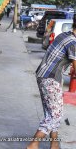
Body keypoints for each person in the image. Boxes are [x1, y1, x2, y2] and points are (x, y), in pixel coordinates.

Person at [27, 15, 76, 149]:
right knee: (55, 115)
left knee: (52, 112)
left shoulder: (64, 35)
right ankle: (33, 144)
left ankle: (54, 144)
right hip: (51, 78)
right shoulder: (73, 43)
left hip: (43, 75)